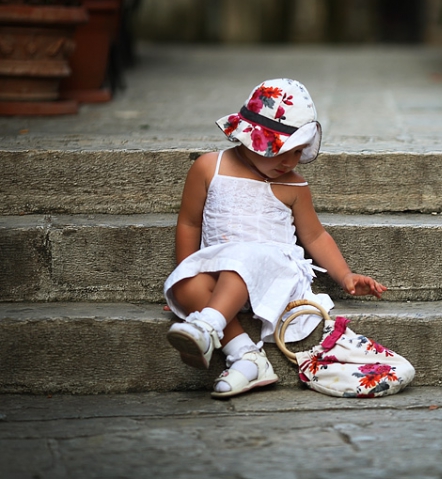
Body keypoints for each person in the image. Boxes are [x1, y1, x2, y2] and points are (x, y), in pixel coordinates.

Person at [163, 78, 386, 399]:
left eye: (297, 152)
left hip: (276, 274)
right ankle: (247, 357)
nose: (289, 162)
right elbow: (189, 223)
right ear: (248, 138)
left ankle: (207, 325)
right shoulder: (210, 167)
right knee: (187, 284)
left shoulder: (294, 186)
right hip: (224, 276)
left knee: (245, 257)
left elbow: (315, 236)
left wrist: (345, 275)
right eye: (280, 151)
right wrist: (185, 271)